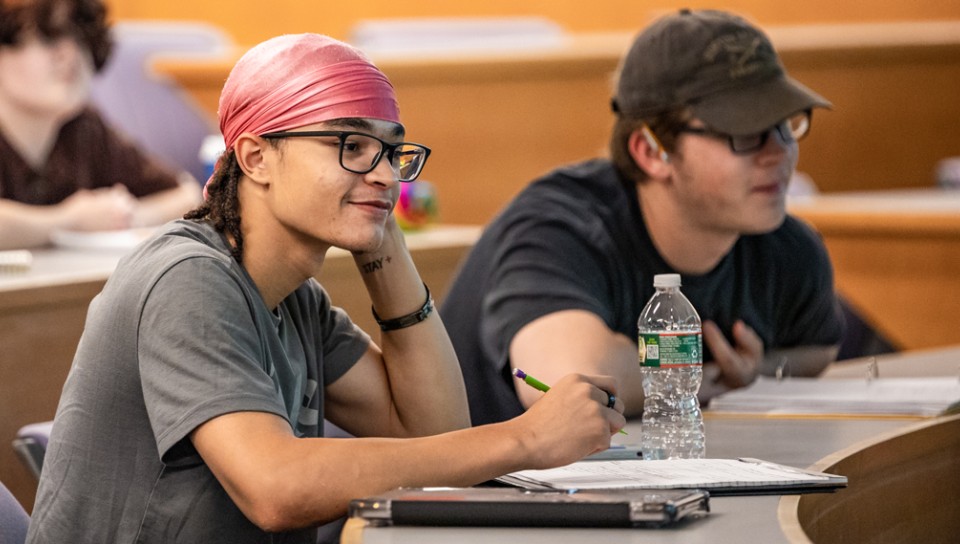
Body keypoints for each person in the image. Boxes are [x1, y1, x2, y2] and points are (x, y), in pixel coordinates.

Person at [25, 33, 624, 543]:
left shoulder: (295, 300)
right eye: (352, 146)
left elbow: (434, 438)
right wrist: (525, 438)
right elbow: (276, 487)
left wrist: (382, 243)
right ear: (257, 158)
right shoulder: (188, 279)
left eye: (392, 152)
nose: (386, 174)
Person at [440, 9, 845, 425]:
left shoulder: (783, 244)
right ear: (652, 152)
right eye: (745, 133)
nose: (779, 152)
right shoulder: (559, 227)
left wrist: (755, 373)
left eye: (784, 125)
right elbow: (567, 383)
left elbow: (818, 348)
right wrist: (705, 379)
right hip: (479, 487)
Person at [0, 0, 200, 250]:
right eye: (47, 38)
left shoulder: (85, 126)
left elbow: (187, 195)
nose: (70, 54)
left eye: (80, 38)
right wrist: (68, 220)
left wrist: (125, 216)